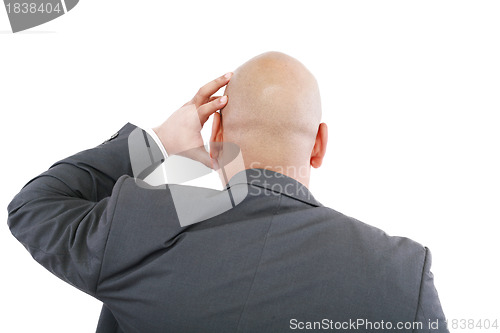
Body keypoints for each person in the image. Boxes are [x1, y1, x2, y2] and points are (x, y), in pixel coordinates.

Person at [7, 52, 448, 332]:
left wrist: (159, 141)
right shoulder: (400, 275)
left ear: (215, 132)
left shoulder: (140, 228)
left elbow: (34, 205)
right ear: (319, 144)